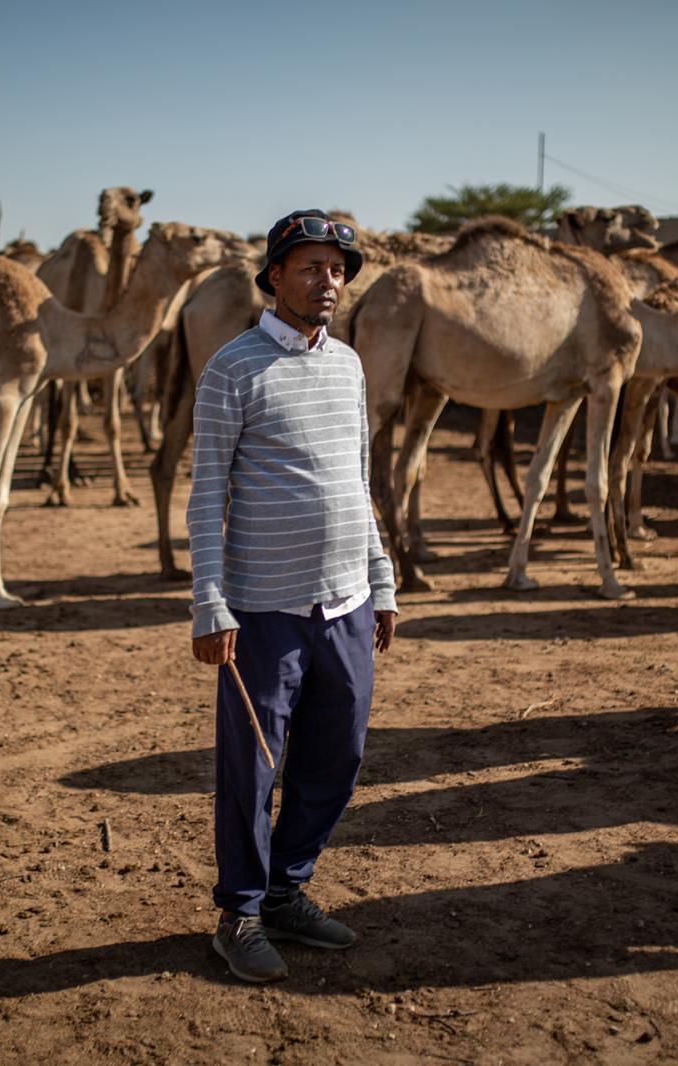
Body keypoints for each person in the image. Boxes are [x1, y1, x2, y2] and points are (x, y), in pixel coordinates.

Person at [187, 209, 398, 983]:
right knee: (255, 770)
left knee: (337, 756)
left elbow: (359, 481)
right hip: (263, 610)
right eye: (312, 267)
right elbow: (206, 493)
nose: (329, 282)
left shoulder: (347, 365)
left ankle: (286, 891)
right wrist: (210, 604)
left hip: (345, 604)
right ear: (274, 276)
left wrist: (381, 581)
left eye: (338, 269)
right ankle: (238, 913)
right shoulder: (232, 369)